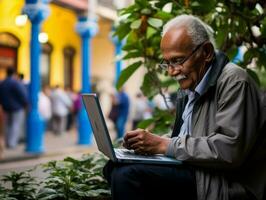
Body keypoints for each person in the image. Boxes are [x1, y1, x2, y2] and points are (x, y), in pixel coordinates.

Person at [103, 15, 266, 200]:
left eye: (178, 61)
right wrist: (148, 144)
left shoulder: (235, 81)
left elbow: (230, 151)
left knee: (127, 176)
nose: (172, 71)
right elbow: (185, 140)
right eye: (167, 63)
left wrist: (164, 145)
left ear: (206, 52)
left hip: (224, 183)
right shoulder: (189, 87)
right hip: (198, 172)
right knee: (113, 167)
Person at [0, 67, 28, 148]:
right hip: (17, 108)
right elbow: (22, 95)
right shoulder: (16, 83)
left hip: (5, 107)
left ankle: (7, 142)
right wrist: (25, 103)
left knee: (7, 125)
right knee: (15, 125)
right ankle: (12, 143)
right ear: (14, 73)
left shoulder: (2, 83)